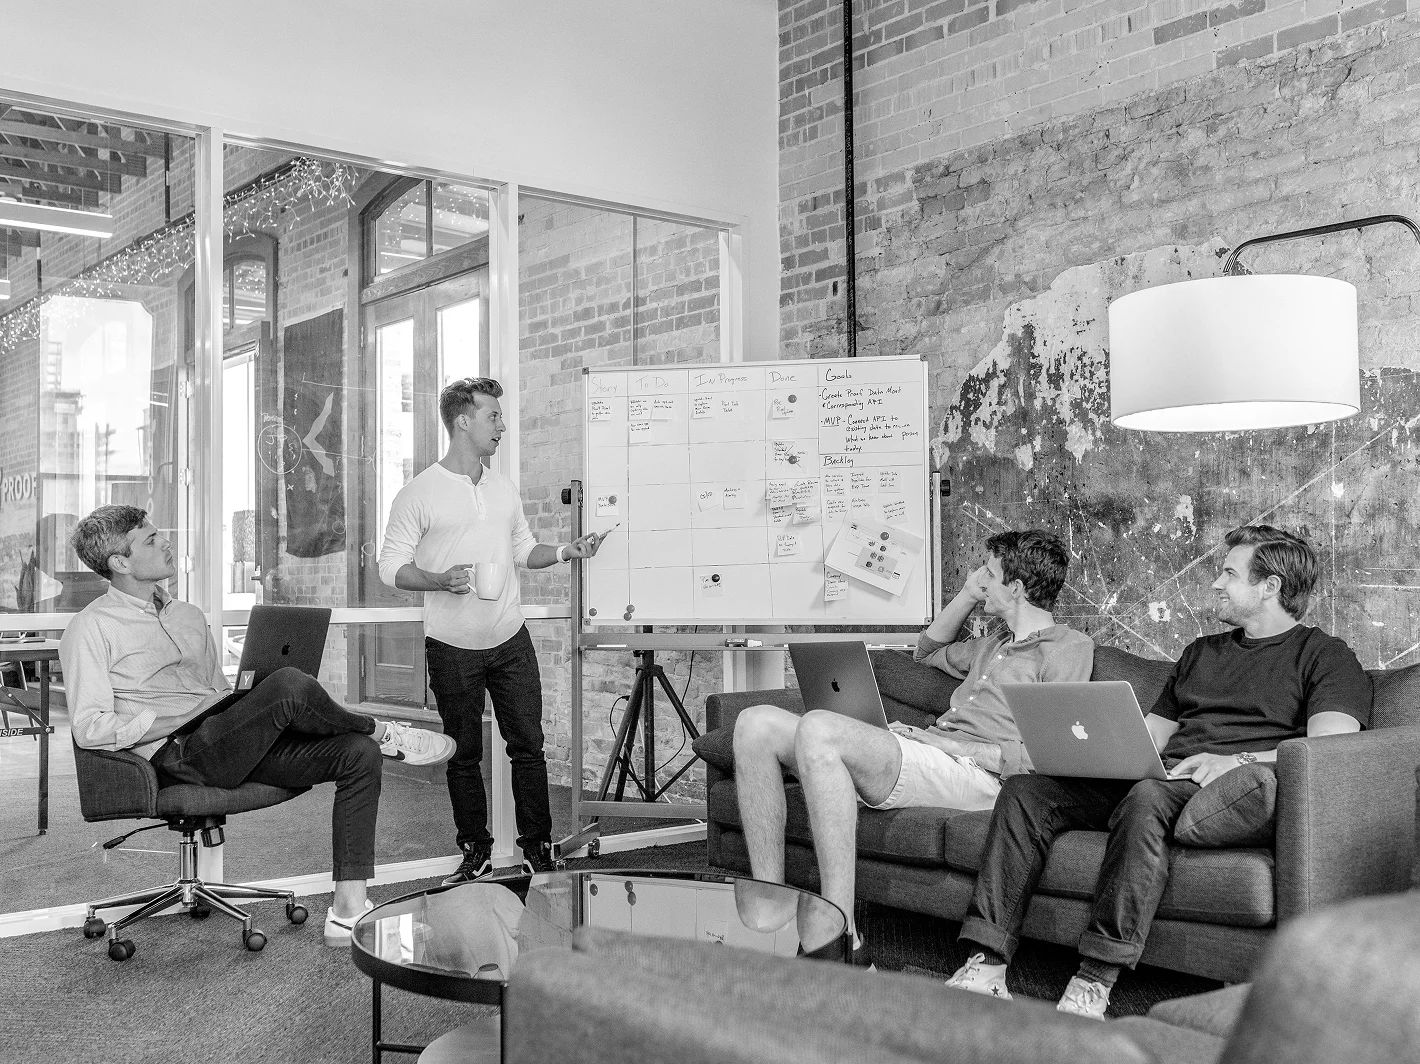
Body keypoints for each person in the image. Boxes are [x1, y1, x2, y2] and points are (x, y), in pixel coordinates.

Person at [947, 524, 1371, 1018]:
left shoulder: (1325, 655)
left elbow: (1331, 748)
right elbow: (1150, 736)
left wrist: (1236, 760)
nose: (1215, 582)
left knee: (1146, 796)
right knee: (1026, 791)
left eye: (1229, 573)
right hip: (1163, 777)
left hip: (1230, 787)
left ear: (1270, 586)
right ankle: (986, 964)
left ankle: (1094, 978)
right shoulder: (1201, 652)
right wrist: (1096, 754)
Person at [61, 505, 456, 949]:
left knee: (354, 754)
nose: (166, 542)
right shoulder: (90, 628)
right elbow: (89, 727)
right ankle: (380, 731)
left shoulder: (187, 615)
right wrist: (171, 719)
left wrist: (242, 702)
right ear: (119, 563)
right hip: (178, 754)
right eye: (151, 540)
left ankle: (347, 910)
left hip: (223, 740)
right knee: (288, 685)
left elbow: (214, 691)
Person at [732, 529, 1093, 963]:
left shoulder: (1069, 649)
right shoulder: (992, 646)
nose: (980, 577)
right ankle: (771, 897)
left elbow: (1050, 755)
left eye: (989, 573)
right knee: (755, 724)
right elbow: (925, 652)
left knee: (820, 729)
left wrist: (948, 744)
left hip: (981, 777)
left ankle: (841, 934)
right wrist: (965, 595)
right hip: (934, 756)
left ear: (1015, 587)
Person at [378, 376, 604, 884]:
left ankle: (537, 848)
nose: (501, 425)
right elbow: (390, 567)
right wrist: (440, 579)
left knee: (528, 746)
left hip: (510, 638)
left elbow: (525, 548)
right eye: (492, 416)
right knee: (463, 752)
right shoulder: (419, 492)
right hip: (452, 646)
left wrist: (568, 551)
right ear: (463, 420)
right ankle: (475, 851)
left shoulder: (502, 488)